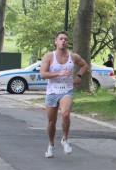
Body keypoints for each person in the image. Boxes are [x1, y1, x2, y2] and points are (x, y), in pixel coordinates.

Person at [38, 30, 90, 158]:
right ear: (56, 41)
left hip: (67, 90)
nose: (63, 41)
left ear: (68, 43)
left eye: (65, 39)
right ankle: (51, 145)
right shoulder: (49, 56)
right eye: (61, 39)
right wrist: (59, 73)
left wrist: (79, 76)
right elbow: (43, 74)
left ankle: (65, 139)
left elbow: (85, 65)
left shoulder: (73, 57)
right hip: (52, 91)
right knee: (52, 122)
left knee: (66, 114)